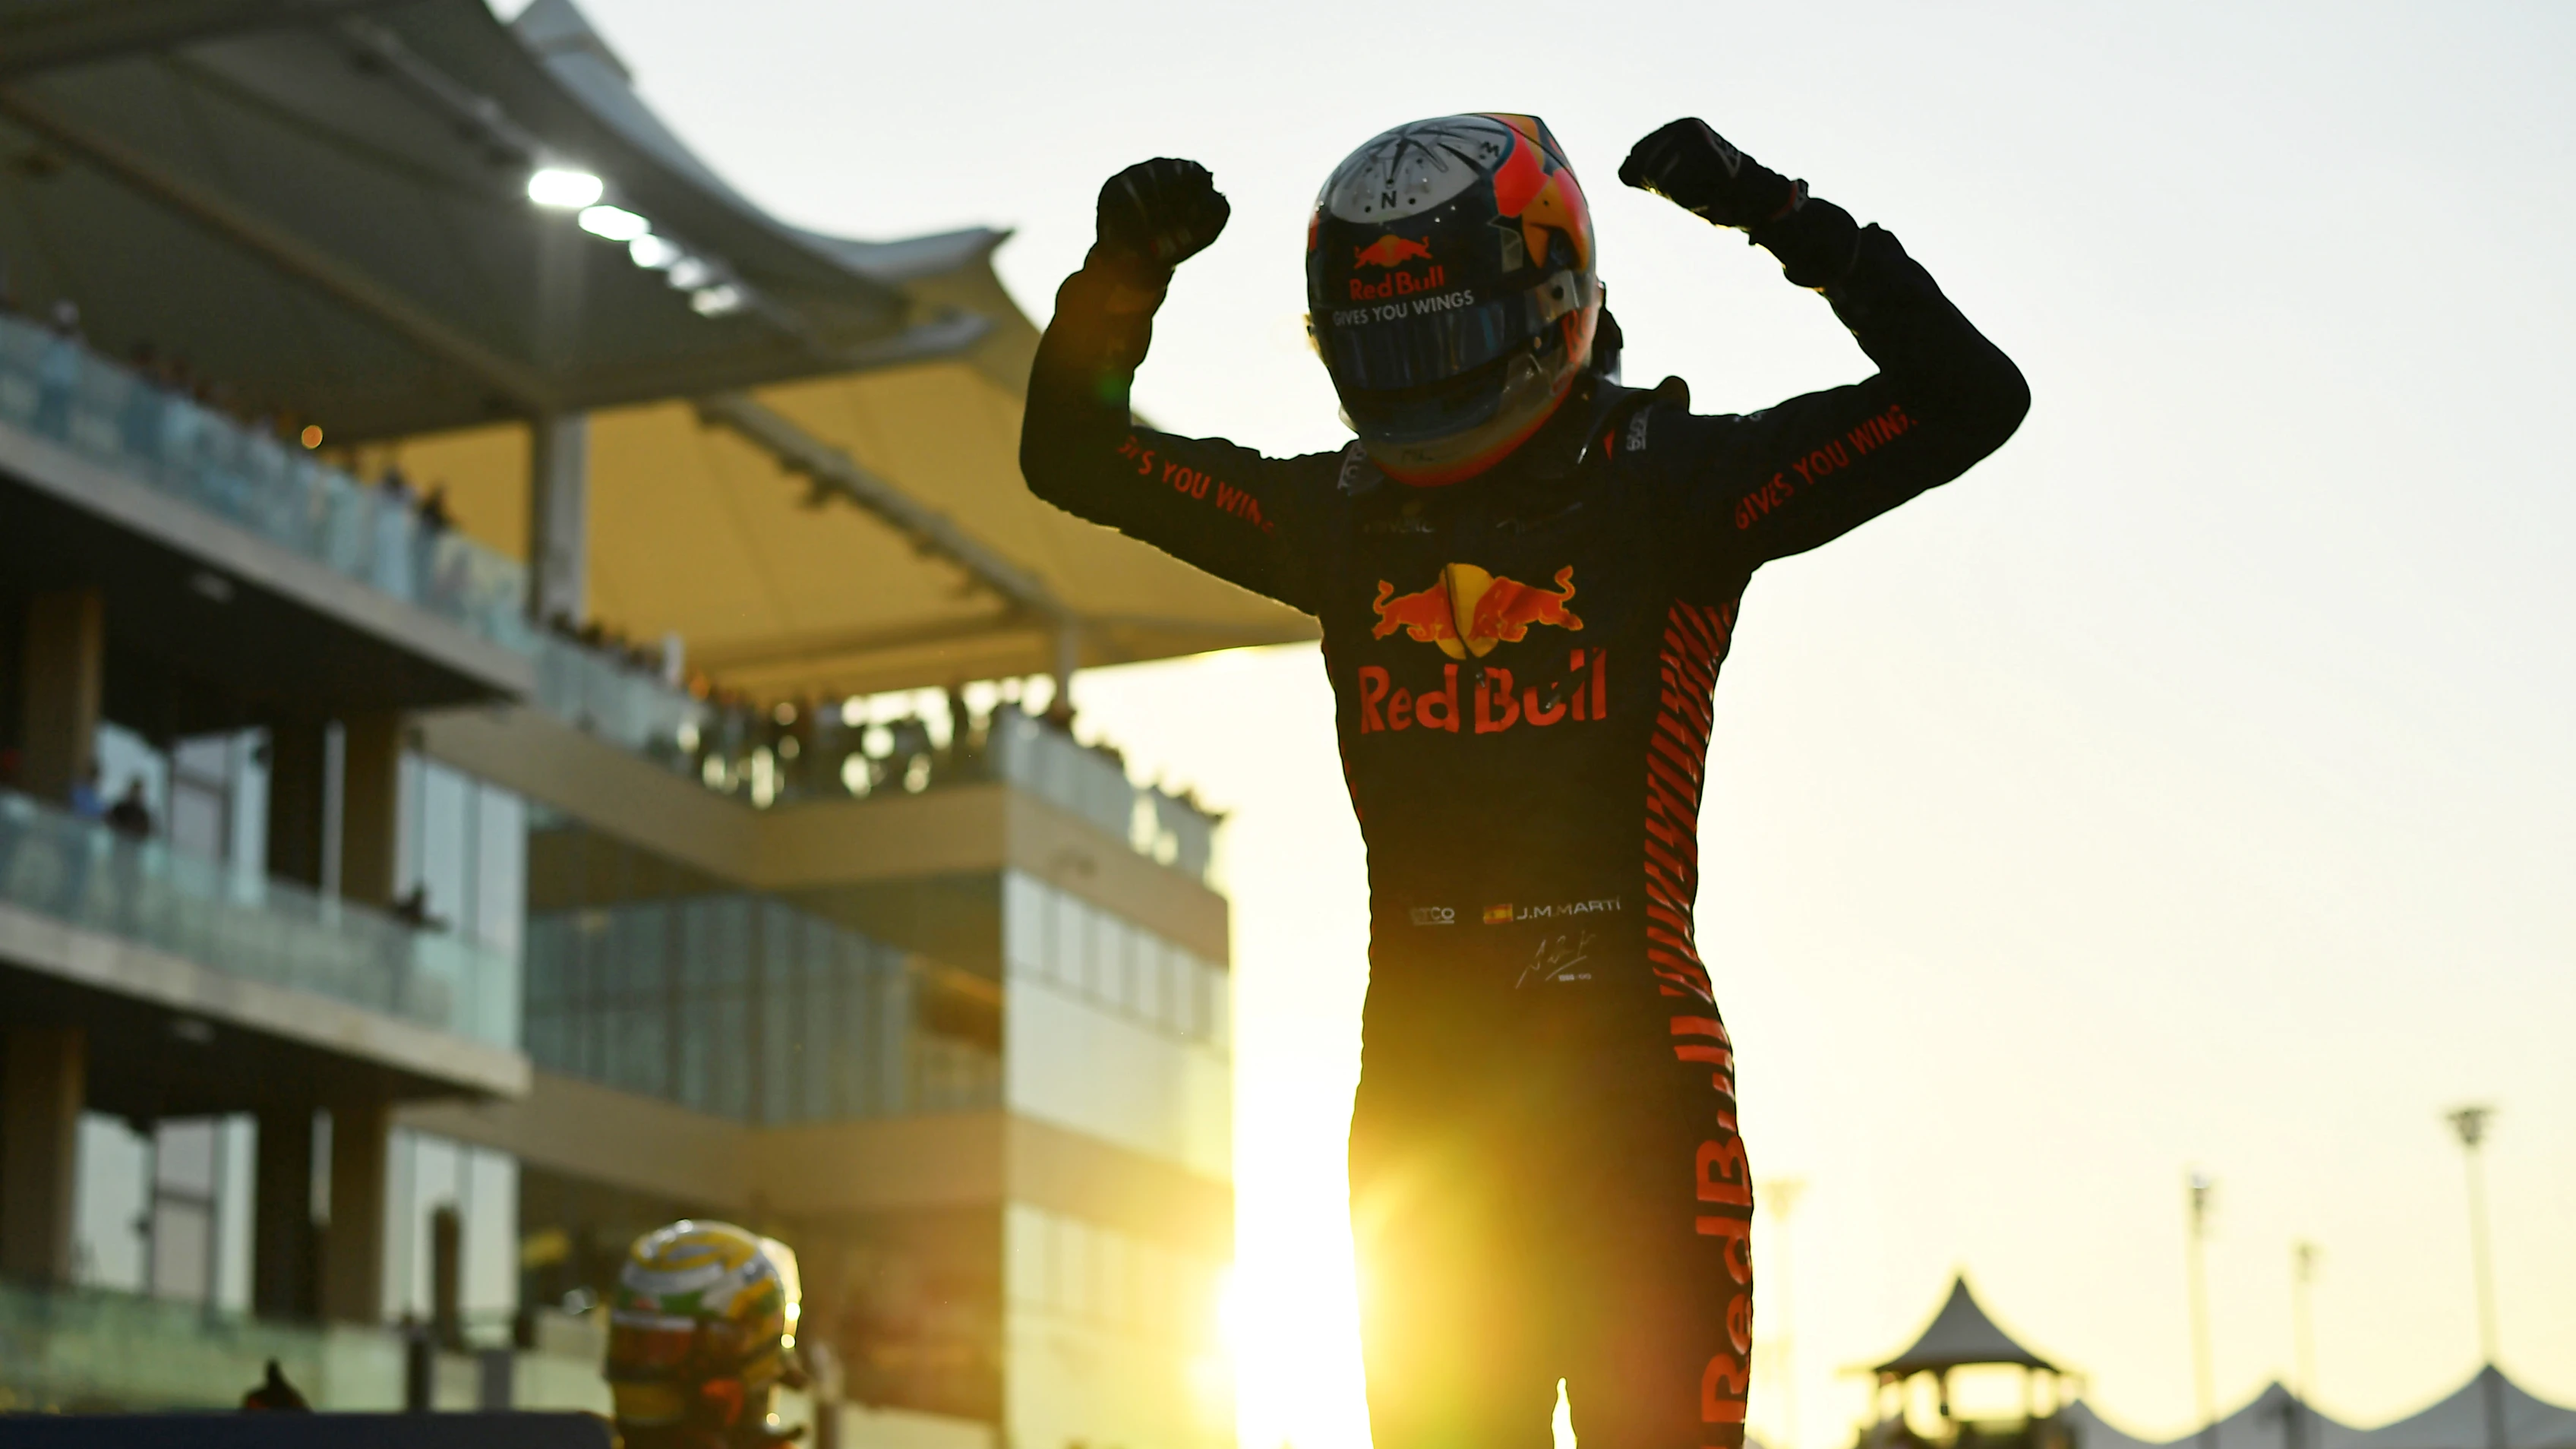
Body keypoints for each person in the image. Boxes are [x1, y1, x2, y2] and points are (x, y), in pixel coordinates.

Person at [1020, 114, 2028, 1448]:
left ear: (1553, 303)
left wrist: (1782, 213)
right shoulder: (1336, 510)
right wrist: (1116, 278)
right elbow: (1073, 458)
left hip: (1628, 1090)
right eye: (1386, 351)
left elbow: (1970, 398)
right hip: (1428, 1108)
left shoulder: (1669, 483)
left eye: (1442, 341)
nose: (1421, 386)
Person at [604, 1219, 806, 1449]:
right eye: (633, 1342)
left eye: (669, 1346)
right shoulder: (593, 1438)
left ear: (741, 1342)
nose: (644, 1365)